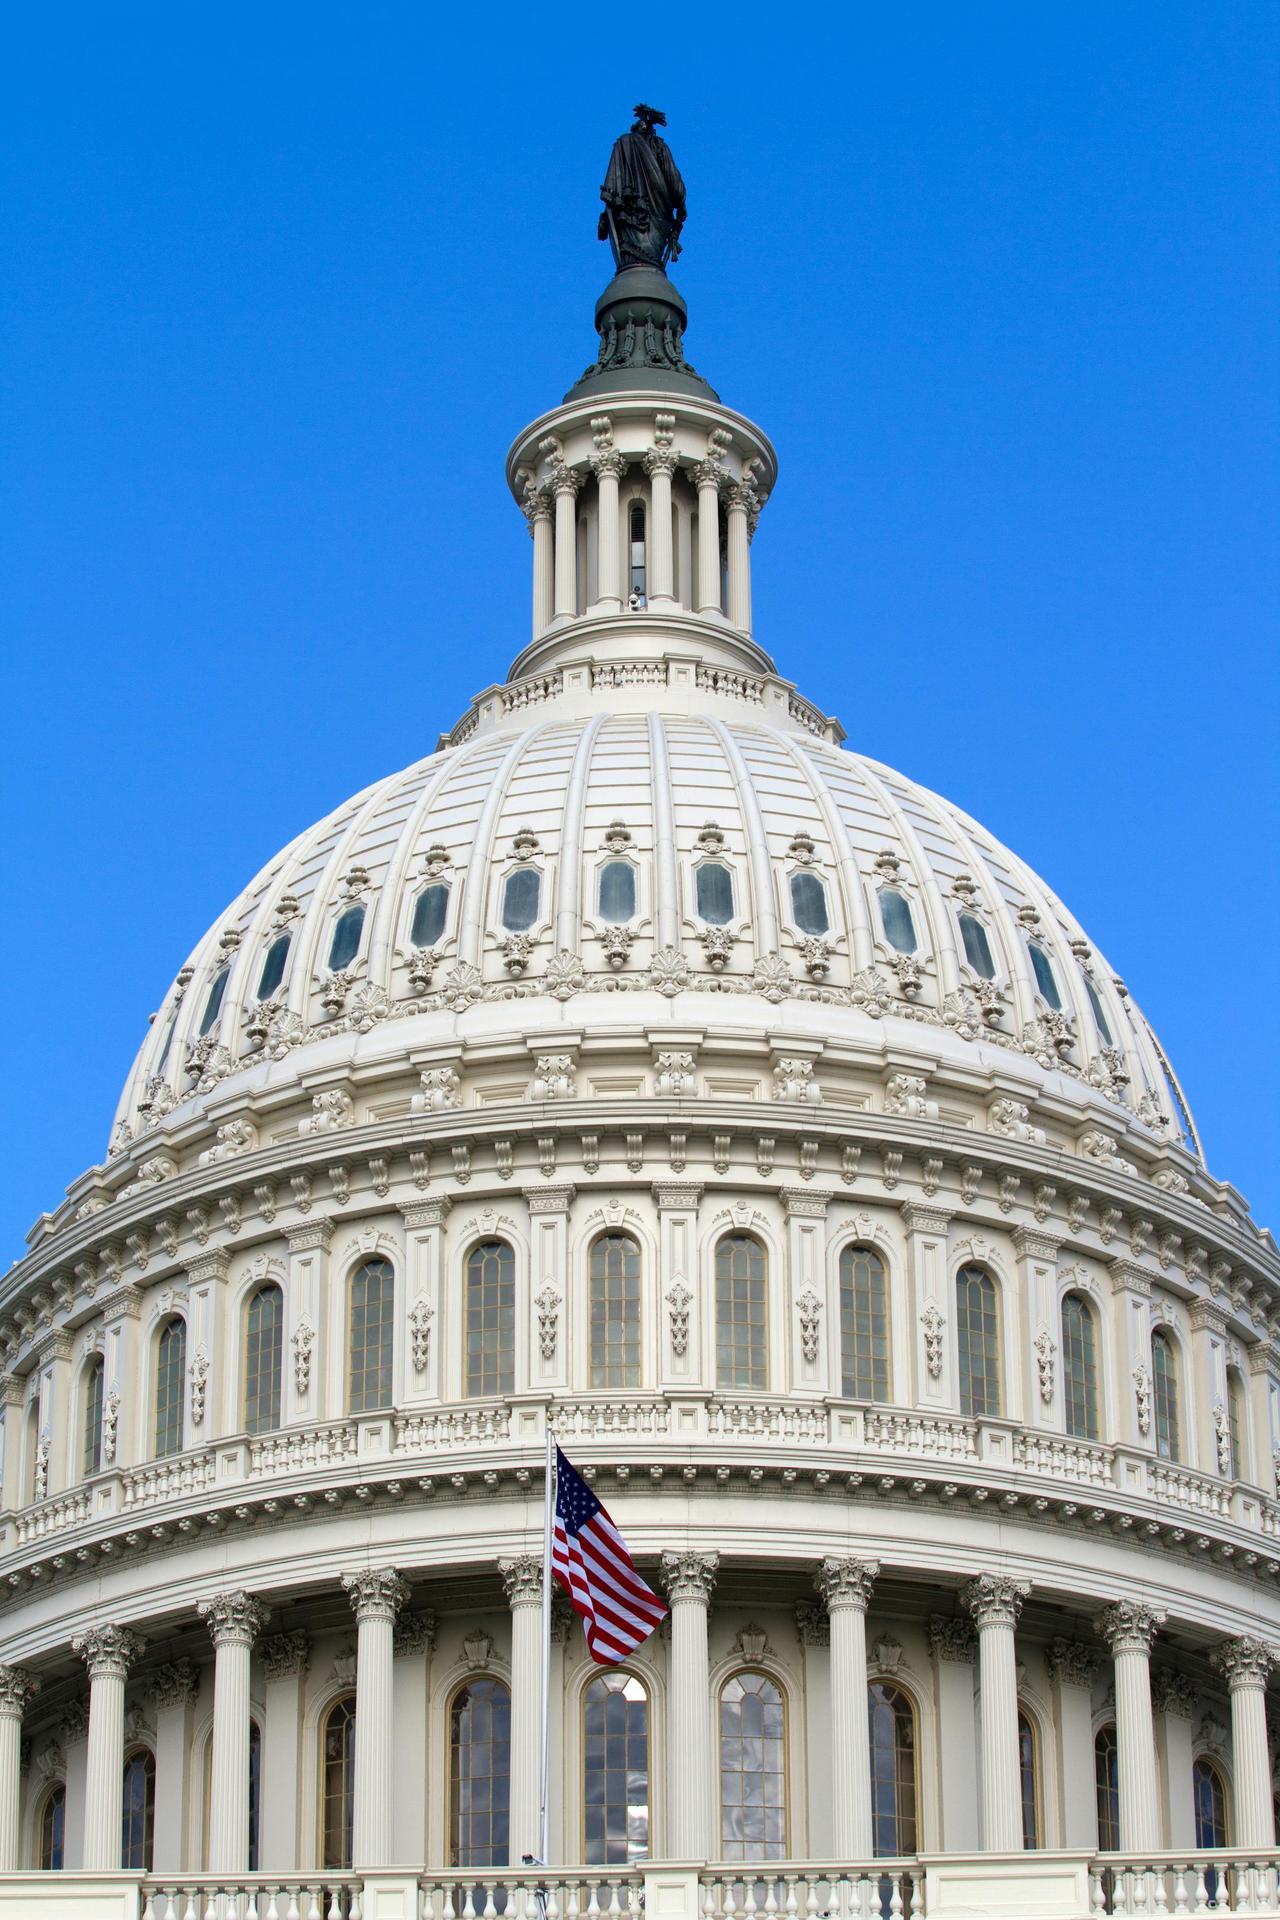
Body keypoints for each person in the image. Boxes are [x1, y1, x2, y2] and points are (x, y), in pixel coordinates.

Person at [598, 104, 687, 271]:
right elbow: (673, 180)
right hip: (658, 214)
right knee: (650, 258)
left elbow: (611, 189)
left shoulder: (623, 145)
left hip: (627, 215)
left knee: (634, 257)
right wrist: (682, 207)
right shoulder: (659, 146)